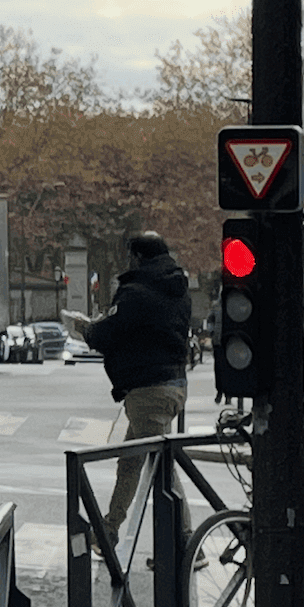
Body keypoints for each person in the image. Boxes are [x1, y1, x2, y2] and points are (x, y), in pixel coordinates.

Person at [82, 231, 193, 541]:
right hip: (174, 383)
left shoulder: (137, 292)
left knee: (161, 468)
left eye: (130, 255)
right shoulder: (178, 290)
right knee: (130, 462)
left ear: (139, 257)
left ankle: (184, 542)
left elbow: (109, 334)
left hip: (147, 389)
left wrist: (87, 329)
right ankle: (110, 526)